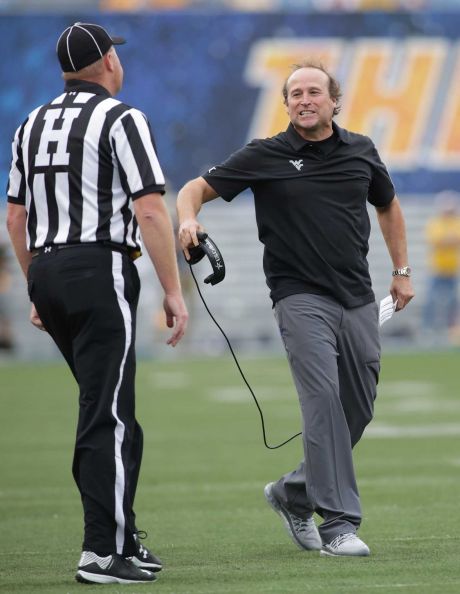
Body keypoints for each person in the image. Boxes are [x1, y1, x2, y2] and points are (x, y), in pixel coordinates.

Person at [177, 61, 414, 557]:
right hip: (298, 297)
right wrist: (186, 220)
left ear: (335, 101)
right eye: (295, 94)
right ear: (285, 105)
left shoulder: (362, 151)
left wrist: (401, 270)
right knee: (323, 400)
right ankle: (339, 525)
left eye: (314, 92)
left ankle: (293, 493)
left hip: (359, 297)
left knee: (358, 407)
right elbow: (193, 190)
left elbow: (388, 205)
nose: (305, 100)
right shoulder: (266, 154)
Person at [6, 22, 188, 584]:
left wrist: (37, 285)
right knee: (106, 415)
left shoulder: (30, 123)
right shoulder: (121, 117)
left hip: (51, 267)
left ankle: (122, 536)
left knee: (107, 408)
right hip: (99, 266)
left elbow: (15, 217)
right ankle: (100, 550)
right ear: (108, 61)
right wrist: (174, 290)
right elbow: (151, 210)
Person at [423, 190, 460, 338]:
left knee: (453, 301)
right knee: (431, 300)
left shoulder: (456, 222)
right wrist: (449, 240)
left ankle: (450, 329)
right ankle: (428, 328)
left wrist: (447, 240)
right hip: (437, 269)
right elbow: (437, 241)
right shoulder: (435, 223)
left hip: (451, 269)